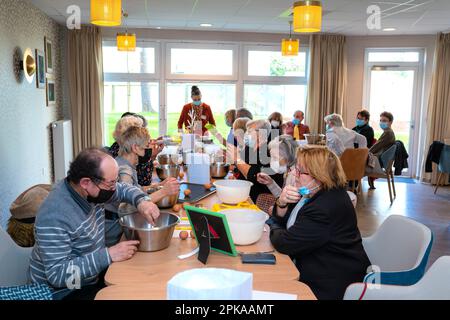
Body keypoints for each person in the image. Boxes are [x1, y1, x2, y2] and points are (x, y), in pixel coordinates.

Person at [29, 148, 160, 300]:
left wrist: (142, 201)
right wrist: (108, 255)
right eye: (111, 183)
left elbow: (123, 190)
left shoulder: (92, 190)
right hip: (64, 291)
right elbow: (58, 276)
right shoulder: (55, 215)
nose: (114, 188)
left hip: (91, 277)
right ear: (86, 182)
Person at [268, 146, 371, 300]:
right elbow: (288, 220)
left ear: (319, 176)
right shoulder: (316, 192)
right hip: (323, 265)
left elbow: (285, 243)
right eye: (295, 169)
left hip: (330, 282)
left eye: (300, 171)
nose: (294, 175)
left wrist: (271, 224)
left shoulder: (324, 207)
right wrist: (282, 202)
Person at [104, 127, 180, 247]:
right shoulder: (124, 171)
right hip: (116, 234)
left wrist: (157, 185)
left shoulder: (124, 162)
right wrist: (163, 192)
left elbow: (136, 190)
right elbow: (126, 208)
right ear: (135, 148)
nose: (148, 150)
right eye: (145, 147)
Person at [226, 120, 284, 203]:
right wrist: (236, 177)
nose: (245, 134)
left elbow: (255, 176)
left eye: (249, 131)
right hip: (243, 195)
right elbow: (242, 171)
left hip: (261, 201)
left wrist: (236, 159)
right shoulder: (248, 148)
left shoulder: (270, 153)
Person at [109, 115, 163, 186]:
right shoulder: (125, 168)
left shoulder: (127, 155)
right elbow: (142, 185)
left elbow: (137, 188)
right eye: (138, 129)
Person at [367, 112, 396, 189]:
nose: (381, 122)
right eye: (381, 120)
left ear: (390, 122)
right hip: (379, 158)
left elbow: (376, 146)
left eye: (384, 120)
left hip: (378, 160)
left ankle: (352, 187)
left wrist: (366, 152)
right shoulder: (388, 132)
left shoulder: (388, 133)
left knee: (357, 161)